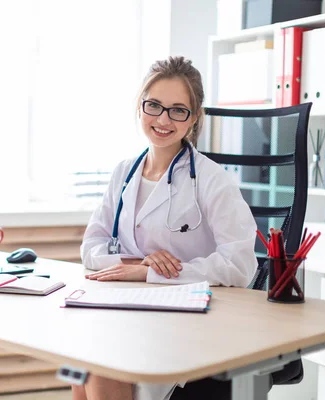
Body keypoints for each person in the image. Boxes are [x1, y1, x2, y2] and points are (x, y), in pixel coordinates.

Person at [73, 56, 258, 400]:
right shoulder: (123, 172)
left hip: (191, 318)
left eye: (178, 110)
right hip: (130, 307)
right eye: (154, 105)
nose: (162, 119)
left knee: (98, 360)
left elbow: (240, 264)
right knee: (82, 354)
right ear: (140, 106)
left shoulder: (212, 179)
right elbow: (92, 247)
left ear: (194, 118)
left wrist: (156, 274)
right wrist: (137, 265)